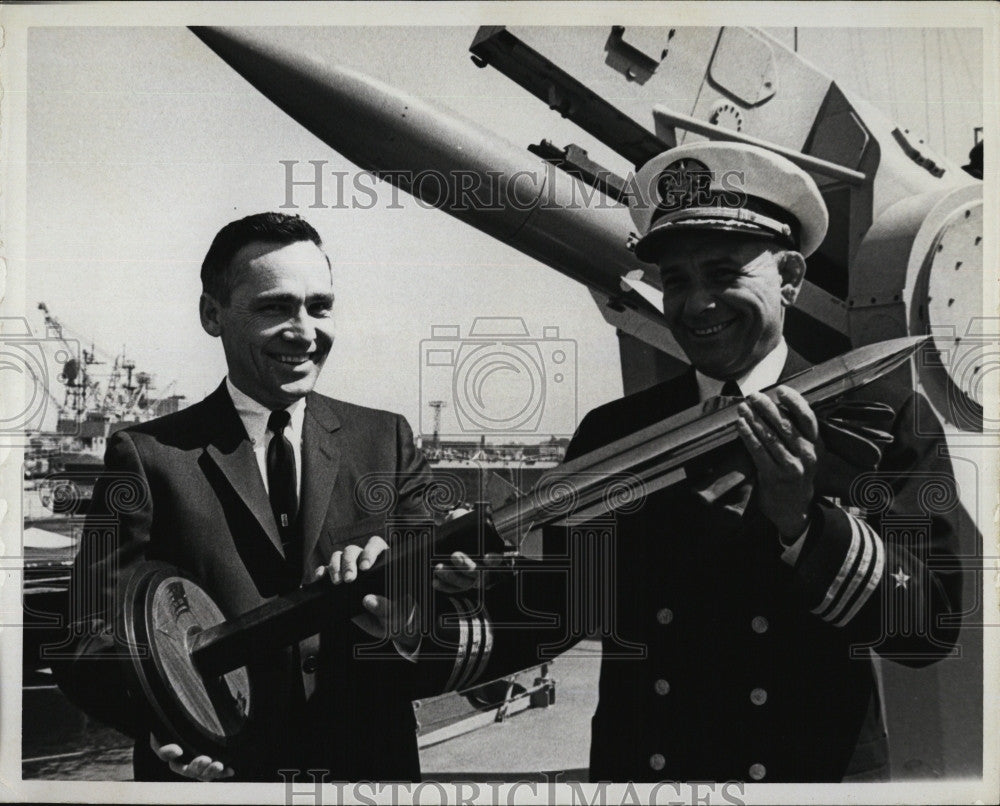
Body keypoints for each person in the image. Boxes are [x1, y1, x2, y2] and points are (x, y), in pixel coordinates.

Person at [443, 142, 975, 782]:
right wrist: (431, 608)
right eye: (677, 280)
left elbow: (928, 630)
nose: (697, 305)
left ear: (791, 278)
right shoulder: (618, 434)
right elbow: (556, 608)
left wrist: (804, 524)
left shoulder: (882, 416)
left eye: (724, 273)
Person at [56, 212, 440, 782]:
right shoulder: (147, 455)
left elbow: (451, 607)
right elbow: (85, 639)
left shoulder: (387, 440)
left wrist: (409, 608)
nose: (305, 331)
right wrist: (165, 721)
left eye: (319, 306)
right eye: (274, 307)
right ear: (213, 315)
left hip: (368, 771)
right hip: (217, 778)